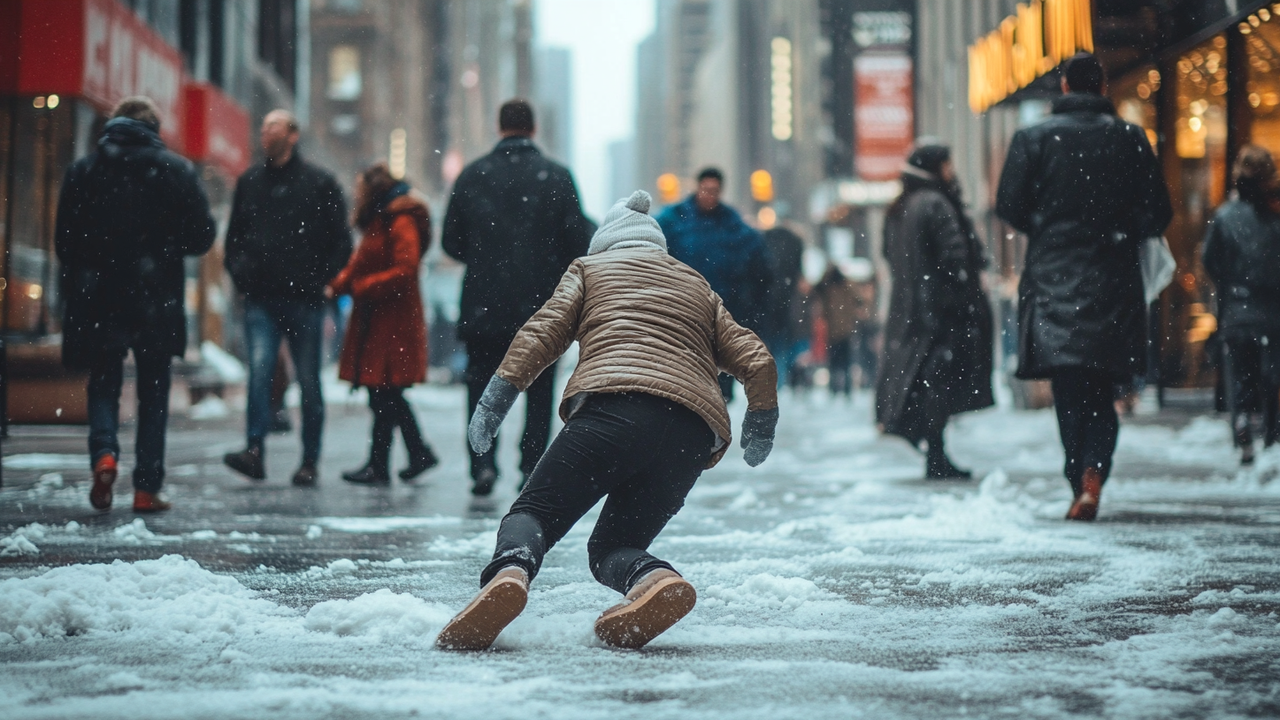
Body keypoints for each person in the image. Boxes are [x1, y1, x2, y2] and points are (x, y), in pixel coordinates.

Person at [436, 191, 778, 652]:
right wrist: (760, 423)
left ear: (605, 243)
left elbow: (542, 333)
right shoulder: (697, 284)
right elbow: (755, 359)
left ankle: (509, 574)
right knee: (614, 546)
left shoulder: (588, 269)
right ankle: (654, 580)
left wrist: (494, 403)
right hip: (690, 435)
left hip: (615, 410)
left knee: (533, 513)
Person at [996, 53, 1172, 520]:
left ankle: (1080, 477)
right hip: (1113, 276)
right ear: (1104, 86)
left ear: (1063, 84)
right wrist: (1117, 226)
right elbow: (1158, 214)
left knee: (1071, 384)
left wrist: (1050, 223)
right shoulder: (1132, 138)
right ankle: (1093, 471)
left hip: (1055, 276)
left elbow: (1009, 206)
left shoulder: (1033, 139)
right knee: (1103, 384)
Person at [55, 96, 216, 512]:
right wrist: (162, 247)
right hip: (155, 297)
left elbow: (64, 243)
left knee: (104, 383)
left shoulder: (84, 171)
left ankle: (104, 454)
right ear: (155, 129)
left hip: (100, 298)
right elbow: (202, 236)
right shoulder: (176, 171)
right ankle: (146, 487)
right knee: (154, 392)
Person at [442, 99, 591, 496]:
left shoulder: (473, 175)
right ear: (533, 128)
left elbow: (450, 243)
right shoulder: (556, 177)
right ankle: (531, 468)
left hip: (483, 304)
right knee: (538, 391)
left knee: (481, 387)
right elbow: (578, 240)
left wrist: (485, 255)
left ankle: (482, 464)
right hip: (540, 308)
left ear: (499, 125)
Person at [222, 109, 352, 487]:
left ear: (293, 134)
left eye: (273, 126)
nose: (265, 133)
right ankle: (254, 451)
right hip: (262, 298)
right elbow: (235, 241)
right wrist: (244, 277)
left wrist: (320, 282)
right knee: (260, 374)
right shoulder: (250, 182)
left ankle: (309, 460)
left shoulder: (319, 183)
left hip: (305, 300)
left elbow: (340, 242)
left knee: (309, 381)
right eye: (263, 127)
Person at [877, 140, 994, 479]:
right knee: (938, 383)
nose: (951, 171)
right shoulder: (937, 204)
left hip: (909, 310)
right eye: (946, 164)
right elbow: (955, 258)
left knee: (918, 380)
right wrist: (961, 298)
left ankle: (930, 447)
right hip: (940, 313)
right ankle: (936, 454)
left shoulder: (900, 207)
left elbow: (891, 256)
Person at [328, 163, 438, 484]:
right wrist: (340, 284)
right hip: (379, 320)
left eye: (360, 187)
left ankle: (387, 462)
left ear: (373, 189)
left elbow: (406, 269)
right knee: (383, 393)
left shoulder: (399, 219)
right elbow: (361, 262)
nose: (356, 194)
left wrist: (363, 287)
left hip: (394, 322)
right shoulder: (380, 219)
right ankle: (408, 455)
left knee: (385, 392)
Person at [657, 167, 772, 401]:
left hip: (722, 315)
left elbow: (759, 268)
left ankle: (714, 430)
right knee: (687, 379)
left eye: (714, 191)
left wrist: (751, 309)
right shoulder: (673, 221)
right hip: (683, 312)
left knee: (720, 389)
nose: (709, 195)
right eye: (705, 190)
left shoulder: (734, 226)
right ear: (697, 188)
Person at [1202, 145, 1280, 465]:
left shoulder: (1224, 216)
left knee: (1240, 373)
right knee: (1271, 374)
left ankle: (1243, 427)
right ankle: (1272, 434)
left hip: (1237, 307)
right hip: (1273, 309)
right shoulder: (1274, 216)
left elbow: (1211, 261)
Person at [760, 225, 806, 387]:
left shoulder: (764, 243)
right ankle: (779, 382)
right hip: (785, 308)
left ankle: (771, 382)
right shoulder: (794, 245)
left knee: (770, 346)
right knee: (782, 346)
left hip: (767, 308)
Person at [814, 264, 866, 399]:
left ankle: (835, 390)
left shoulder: (828, 288)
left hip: (835, 332)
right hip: (845, 331)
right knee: (845, 363)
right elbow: (860, 300)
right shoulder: (846, 286)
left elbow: (816, 289)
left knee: (835, 363)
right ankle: (846, 391)